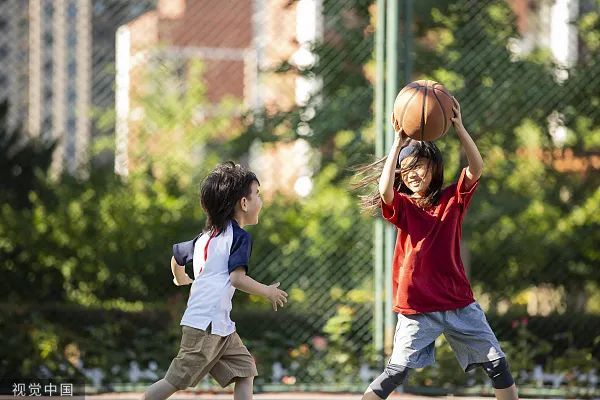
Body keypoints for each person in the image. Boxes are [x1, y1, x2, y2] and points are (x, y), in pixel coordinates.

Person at [355, 98, 519, 400]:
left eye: (419, 166)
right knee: (396, 372)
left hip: (458, 302)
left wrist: (458, 126)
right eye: (406, 169)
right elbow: (384, 190)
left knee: (498, 365)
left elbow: (477, 166)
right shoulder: (403, 206)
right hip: (417, 307)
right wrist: (397, 143)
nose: (413, 173)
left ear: (434, 168)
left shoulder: (452, 200)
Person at [142, 161, 288, 400]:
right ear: (244, 203)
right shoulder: (240, 237)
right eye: (257, 195)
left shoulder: (204, 237)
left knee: (245, 370)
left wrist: (180, 278)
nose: (260, 201)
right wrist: (268, 292)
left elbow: (177, 256)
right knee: (176, 380)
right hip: (206, 326)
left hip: (220, 326)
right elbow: (237, 278)